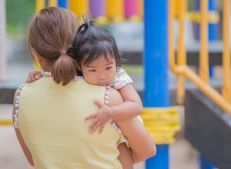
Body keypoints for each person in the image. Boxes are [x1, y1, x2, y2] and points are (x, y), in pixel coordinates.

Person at [13, 7, 155, 169]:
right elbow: (147, 150)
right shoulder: (108, 98)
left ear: (38, 57)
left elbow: (33, 158)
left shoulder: (20, 97)